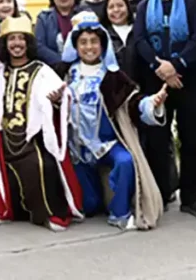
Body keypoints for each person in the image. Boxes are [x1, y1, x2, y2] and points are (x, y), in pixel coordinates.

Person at [58, 12, 167, 230]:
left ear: (102, 44)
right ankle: (95, 198)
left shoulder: (113, 76)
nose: (89, 47)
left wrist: (152, 103)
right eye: (83, 42)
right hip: (76, 149)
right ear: (75, 46)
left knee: (126, 161)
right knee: (89, 206)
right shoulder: (64, 73)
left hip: (106, 144)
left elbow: (133, 103)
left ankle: (120, 212)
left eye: (94, 42)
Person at [0, 15, 83, 230]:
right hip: (4, 141)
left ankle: (50, 215)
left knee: (43, 165)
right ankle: (14, 210)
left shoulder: (41, 70)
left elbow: (64, 97)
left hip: (31, 140)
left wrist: (57, 101)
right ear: (5, 44)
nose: (16, 44)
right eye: (11, 39)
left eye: (21, 38)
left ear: (28, 42)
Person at [132, 0, 196, 218]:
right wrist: (160, 68)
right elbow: (140, 39)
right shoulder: (145, 5)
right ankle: (161, 193)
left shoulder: (195, 1)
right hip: (157, 82)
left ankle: (191, 196)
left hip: (189, 81)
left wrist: (176, 65)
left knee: (189, 141)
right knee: (157, 140)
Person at [35, 0, 86, 65]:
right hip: (52, 69)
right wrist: (61, 62)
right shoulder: (43, 17)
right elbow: (39, 46)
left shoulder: (85, 14)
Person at [99, 0, 135, 75]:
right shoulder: (102, 34)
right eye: (111, 7)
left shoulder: (139, 28)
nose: (116, 10)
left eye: (120, 5)